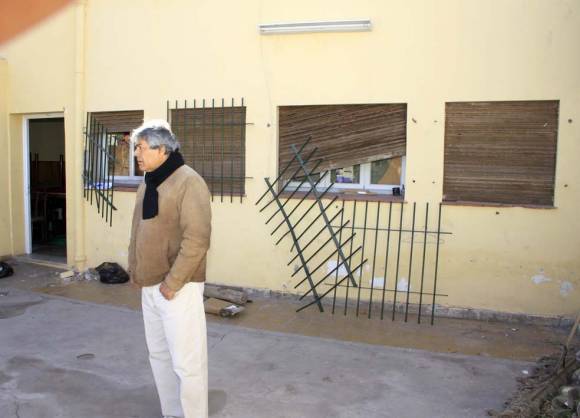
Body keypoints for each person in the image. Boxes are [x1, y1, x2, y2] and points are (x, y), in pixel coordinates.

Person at [128, 120, 211, 418]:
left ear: (162, 149)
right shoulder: (149, 181)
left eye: (141, 148)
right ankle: (172, 413)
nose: (136, 154)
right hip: (150, 286)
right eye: (136, 148)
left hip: (178, 288)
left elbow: (197, 239)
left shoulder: (189, 181)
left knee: (187, 363)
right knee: (159, 356)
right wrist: (135, 269)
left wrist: (172, 283)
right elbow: (138, 230)